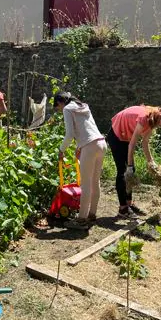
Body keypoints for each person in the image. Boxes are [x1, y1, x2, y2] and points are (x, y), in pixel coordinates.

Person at [106, 104, 161, 219]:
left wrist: (151, 163)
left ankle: (129, 204)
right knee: (123, 172)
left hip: (126, 136)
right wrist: (129, 165)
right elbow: (133, 144)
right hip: (116, 135)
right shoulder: (146, 117)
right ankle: (123, 209)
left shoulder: (153, 121)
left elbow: (145, 142)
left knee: (131, 171)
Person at [55, 92, 106, 230]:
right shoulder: (83, 106)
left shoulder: (67, 109)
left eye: (57, 107)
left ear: (60, 102)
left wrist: (61, 150)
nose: (59, 110)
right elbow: (87, 129)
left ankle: (81, 219)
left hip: (90, 146)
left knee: (86, 183)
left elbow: (70, 134)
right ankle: (92, 214)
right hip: (101, 143)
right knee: (95, 181)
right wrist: (79, 146)